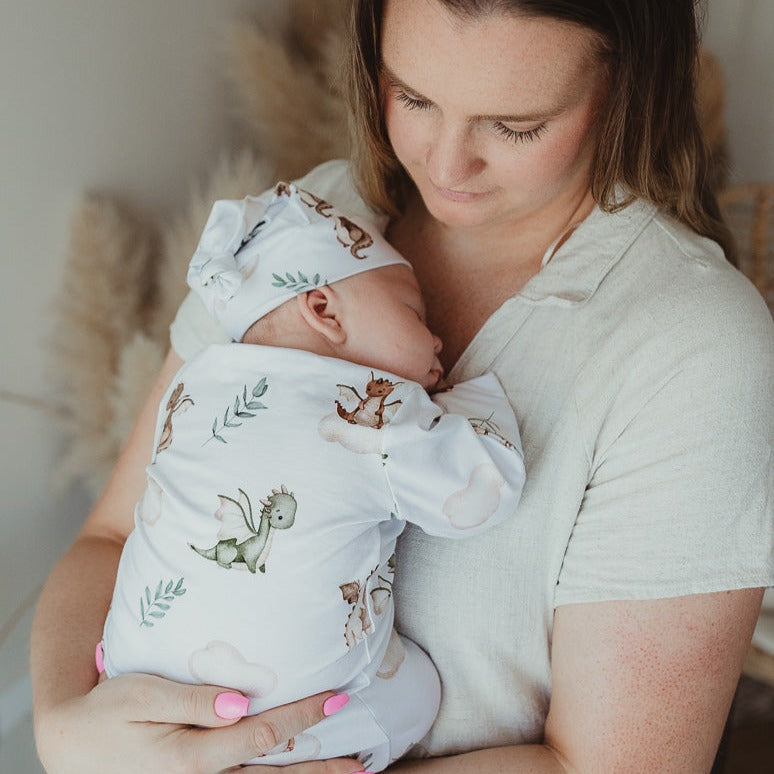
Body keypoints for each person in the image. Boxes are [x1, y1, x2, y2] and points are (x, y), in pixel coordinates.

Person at [32, 1, 773, 772]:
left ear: (627, 87)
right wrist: (64, 727)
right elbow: (112, 538)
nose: (445, 166)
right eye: (413, 97)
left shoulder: (693, 349)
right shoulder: (309, 236)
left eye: (515, 125)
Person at [97, 181, 525, 771]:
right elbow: (483, 493)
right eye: (414, 313)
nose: (437, 339)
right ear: (323, 309)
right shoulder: (370, 412)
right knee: (416, 689)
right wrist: (474, 404)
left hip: (135, 689)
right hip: (287, 723)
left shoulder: (194, 381)